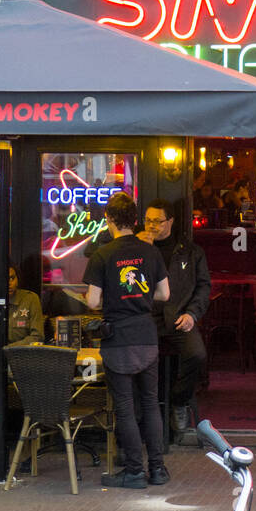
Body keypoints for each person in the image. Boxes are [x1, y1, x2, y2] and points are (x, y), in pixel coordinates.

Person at [83, 192, 170, 489]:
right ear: (135, 220)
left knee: (124, 406)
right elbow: (164, 295)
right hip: (146, 334)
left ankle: (134, 471)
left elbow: (93, 301)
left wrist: (112, 297)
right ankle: (157, 469)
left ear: (109, 220)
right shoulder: (150, 252)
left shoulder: (102, 255)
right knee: (150, 403)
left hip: (118, 337)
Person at [138, 198, 209, 434]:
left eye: (157, 221)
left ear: (170, 221)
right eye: (148, 221)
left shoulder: (189, 251)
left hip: (179, 317)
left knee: (196, 355)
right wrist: (137, 249)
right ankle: (143, 414)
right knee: (136, 359)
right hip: (146, 319)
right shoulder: (136, 249)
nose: (152, 226)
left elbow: (203, 287)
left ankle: (178, 401)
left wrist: (192, 314)